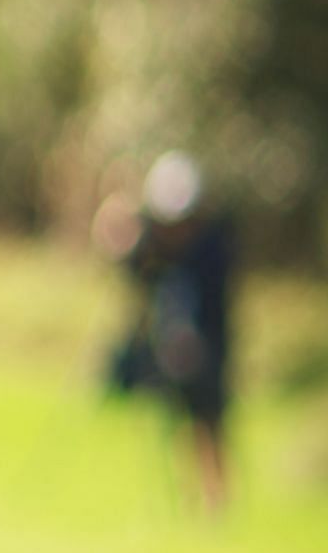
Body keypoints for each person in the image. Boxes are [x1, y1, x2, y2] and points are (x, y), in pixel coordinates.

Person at [100, 150, 235, 512]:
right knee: (177, 420)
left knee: (209, 422)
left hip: (207, 349)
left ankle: (217, 500)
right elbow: (132, 274)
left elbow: (216, 308)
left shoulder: (212, 248)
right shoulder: (153, 247)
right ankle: (189, 498)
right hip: (169, 346)